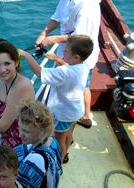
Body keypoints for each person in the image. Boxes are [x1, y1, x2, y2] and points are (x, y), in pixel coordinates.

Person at [19, 34, 94, 164]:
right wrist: (57, 59)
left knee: (59, 140)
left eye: (66, 50)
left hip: (63, 114)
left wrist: (26, 55)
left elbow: (39, 72)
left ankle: (60, 160)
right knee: (68, 134)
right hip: (75, 110)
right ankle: (67, 147)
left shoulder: (66, 73)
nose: (63, 51)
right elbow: (69, 66)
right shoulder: (83, 66)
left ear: (76, 57)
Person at [35, 0, 101, 130]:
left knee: (84, 86)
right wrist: (43, 34)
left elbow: (82, 37)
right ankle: (79, 116)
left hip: (81, 55)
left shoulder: (88, 5)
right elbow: (57, 17)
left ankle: (86, 115)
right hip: (68, 52)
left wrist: (54, 39)